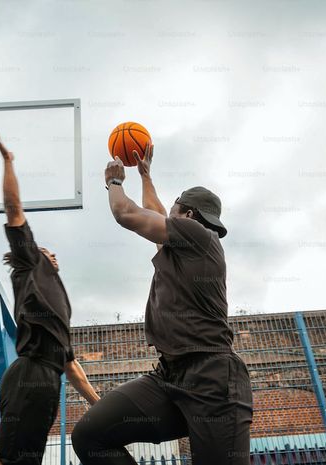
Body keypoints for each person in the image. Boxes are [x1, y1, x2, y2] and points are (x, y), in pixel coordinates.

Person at [72, 145, 253, 465]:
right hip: (169, 377)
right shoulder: (184, 245)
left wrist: (114, 182)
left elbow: (126, 213)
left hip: (213, 381)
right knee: (91, 434)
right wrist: (145, 176)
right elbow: (156, 210)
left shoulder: (198, 235)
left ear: (189, 215)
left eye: (174, 209)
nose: (166, 215)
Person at [0, 130, 100, 465]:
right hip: (29, 374)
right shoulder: (28, 263)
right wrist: (8, 163)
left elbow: (70, 363)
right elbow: (13, 208)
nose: (51, 253)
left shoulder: (60, 299)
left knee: (28, 459)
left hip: (50, 380)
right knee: (12, 459)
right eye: (44, 249)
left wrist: (98, 401)